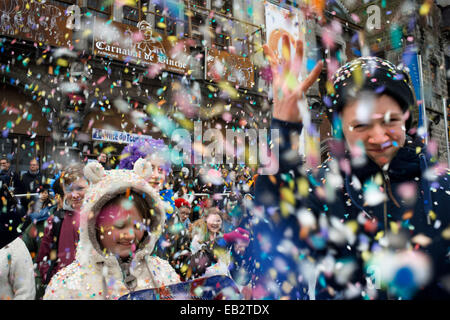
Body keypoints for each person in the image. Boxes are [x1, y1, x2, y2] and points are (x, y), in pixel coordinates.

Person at [252, 36, 450, 299]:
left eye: (390, 120)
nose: (379, 137)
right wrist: (283, 131)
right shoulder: (322, 186)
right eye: (361, 125)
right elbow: (272, 220)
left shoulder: (443, 185)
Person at [43, 159, 180, 300]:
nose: (129, 234)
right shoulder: (67, 286)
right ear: (95, 225)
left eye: (138, 225)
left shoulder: (163, 274)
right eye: (120, 225)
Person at [36, 163, 87, 285]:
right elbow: (43, 258)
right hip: (63, 290)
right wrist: (53, 279)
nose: (74, 195)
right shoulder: (55, 220)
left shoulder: (101, 218)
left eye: (80, 188)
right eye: (69, 189)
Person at [22, 181, 63, 299]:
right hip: (42, 284)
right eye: (68, 192)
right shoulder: (40, 221)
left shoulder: (83, 223)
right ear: (57, 197)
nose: (75, 196)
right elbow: (22, 249)